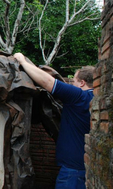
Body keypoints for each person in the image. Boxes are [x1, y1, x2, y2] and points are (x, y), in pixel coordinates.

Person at [13, 53, 94, 189]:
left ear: (82, 83)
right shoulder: (95, 100)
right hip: (87, 169)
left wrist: (22, 60)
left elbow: (48, 82)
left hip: (72, 173)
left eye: (73, 81)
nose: (72, 84)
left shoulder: (80, 97)